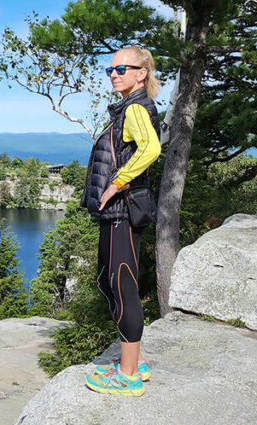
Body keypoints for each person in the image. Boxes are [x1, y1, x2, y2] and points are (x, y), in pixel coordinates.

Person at [81, 46, 161, 396]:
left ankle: (128, 376)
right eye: (110, 70)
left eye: (122, 69)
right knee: (111, 282)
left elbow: (151, 149)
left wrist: (116, 184)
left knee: (121, 286)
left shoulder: (135, 109)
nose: (114, 74)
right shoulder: (129, 108)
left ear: (141, 73)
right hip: (120, 214)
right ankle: (135, 362)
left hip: (122, 213)